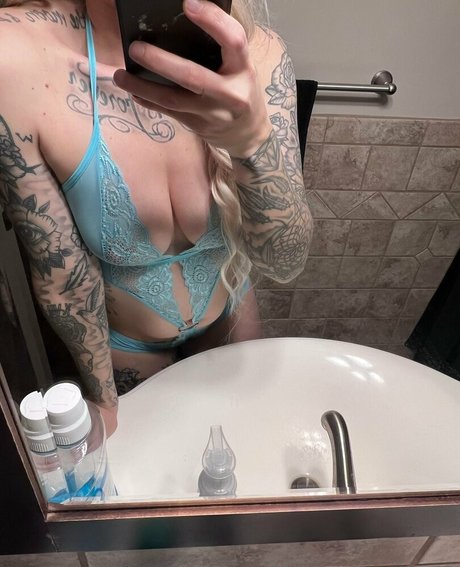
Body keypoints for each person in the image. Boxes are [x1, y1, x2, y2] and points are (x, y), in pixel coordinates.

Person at [0, 0, 313, 436]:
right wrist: (104, 401)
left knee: (246, 444)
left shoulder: (259, 53)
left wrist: (251, 142)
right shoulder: (17, 60)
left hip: (230, 311)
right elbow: (66, 279)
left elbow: (285, 262)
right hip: (127, 345)